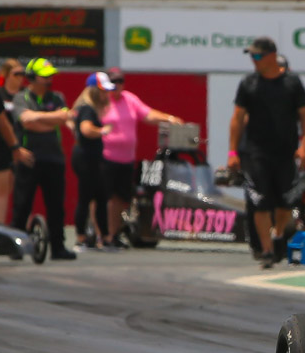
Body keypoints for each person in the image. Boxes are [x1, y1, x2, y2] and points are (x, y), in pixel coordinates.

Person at [228, 36, 305, 268]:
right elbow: (237, 119)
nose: (254, 60)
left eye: (258, 55)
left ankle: (277, 234)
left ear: (272, 56)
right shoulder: (248, 83)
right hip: (256, 152)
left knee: (286, 202)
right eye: (252, 56)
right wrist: (233, 153)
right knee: (260, 202)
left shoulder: (292, 82)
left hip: (286, 152)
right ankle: (266, 251)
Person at [100, 67, 184, 249]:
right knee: (104, 198)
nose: (117, 85)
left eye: (120, 81)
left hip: (126, 159)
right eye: (113, 82)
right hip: (105, 157)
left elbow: (148, 114)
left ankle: (112, 235)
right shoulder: (101, 100)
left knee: (122, 199)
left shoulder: (129, 99)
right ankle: (100, 236)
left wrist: (169, 119)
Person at [11, 58, 76, 260]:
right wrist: (51, 119)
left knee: (56, 206)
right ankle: (17, 247)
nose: (49, 80)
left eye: (50, 76)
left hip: (54, 158)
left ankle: (58, 247)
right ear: (32, 77)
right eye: (44, 76)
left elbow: (65, 117)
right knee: (22, 204)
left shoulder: (57, 97)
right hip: (29, 158)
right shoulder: (21, 98)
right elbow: (26, 121)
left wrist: (38, 117)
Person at [71, 72, 114, 251]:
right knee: (86, 197)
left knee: (101, 197)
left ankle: (104, 237)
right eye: (103, 91)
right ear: (94, 91)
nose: (106, 95)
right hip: (86, 159)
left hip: (93, 158)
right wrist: (103, 131)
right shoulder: (87, 108)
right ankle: (81, 238)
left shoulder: (88, 109)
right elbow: (86, 129)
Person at [0, 59, 33, 224]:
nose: (20, 77)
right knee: (1, 191)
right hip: (2, 148)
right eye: (16, 74)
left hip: (22, 146)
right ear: (6, 74)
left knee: (22, 192)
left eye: (22, 74)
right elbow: (1, 122)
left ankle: (21, 228)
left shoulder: (25, 95)